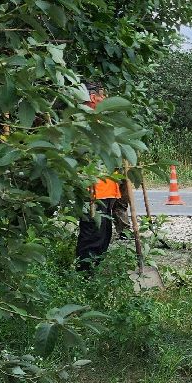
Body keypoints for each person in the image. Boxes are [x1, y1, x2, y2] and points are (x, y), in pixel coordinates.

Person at [76, 85, 125, 273]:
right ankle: (84, 277)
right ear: (93, 98)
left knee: (104, 236)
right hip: (92, 191)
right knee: (92, 236)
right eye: (103, 96)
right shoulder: (83, 122)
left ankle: (90, 276)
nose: (106, 100)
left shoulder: (99, 121)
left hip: (105, 190)